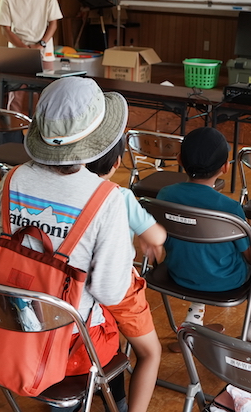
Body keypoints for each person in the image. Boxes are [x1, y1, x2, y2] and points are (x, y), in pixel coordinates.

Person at [0, 76, 134, 403]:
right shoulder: (106, 199)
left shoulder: (13, 178)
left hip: (5, 323)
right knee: (115, 338)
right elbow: (110, 291)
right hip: (71, 345)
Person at [155, 127, 251, 341]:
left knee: (198, 249)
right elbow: (250, 255)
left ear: (179, 159)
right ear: (225, 167)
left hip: (179, 273)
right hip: (225, 282)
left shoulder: (165, 195)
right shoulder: (230, 209)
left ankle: (194, 317)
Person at [85, 137, 164, 412]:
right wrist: (147, 235)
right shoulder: (119, 195)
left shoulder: (71, 192)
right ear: (117, 163)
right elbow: (157, 234)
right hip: (116, 288)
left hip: (75, 286)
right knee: (150, 353)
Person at [0, 0, 63, 113]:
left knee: (44, 93)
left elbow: (53, 24)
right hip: (18, 52)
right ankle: (13, 129)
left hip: (44, 50)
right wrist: (24, 48)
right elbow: (6, 30)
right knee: (15, 94)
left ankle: (39, 131)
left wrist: (41, 44)